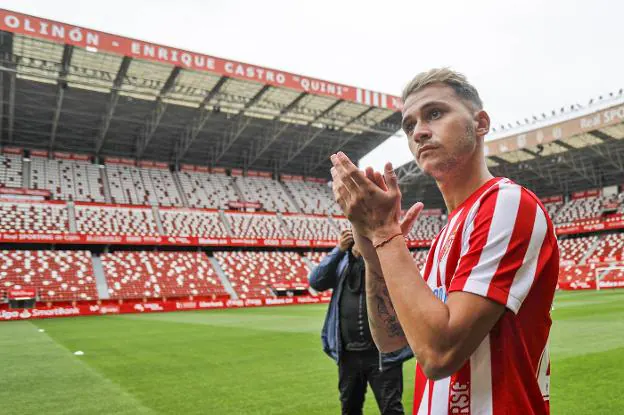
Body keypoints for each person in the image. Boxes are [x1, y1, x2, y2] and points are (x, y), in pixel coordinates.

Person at [329, 68, 559, 414]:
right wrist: (374, 252)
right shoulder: (444, 237)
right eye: (409, 126)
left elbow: (439, 355)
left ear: (480, 123)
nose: (419, 132)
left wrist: (385, 234)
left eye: (435, 114)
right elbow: (392, 341)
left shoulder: (506, 204)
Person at [309, 227, 412, 415]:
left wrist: (372, 252)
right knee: (349, 408)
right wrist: (339, 250)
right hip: (348, 354)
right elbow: (316, 281)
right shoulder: (342, 262)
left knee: (391, 409)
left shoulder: (383, 258)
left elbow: (404, 282)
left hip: (383, 355)